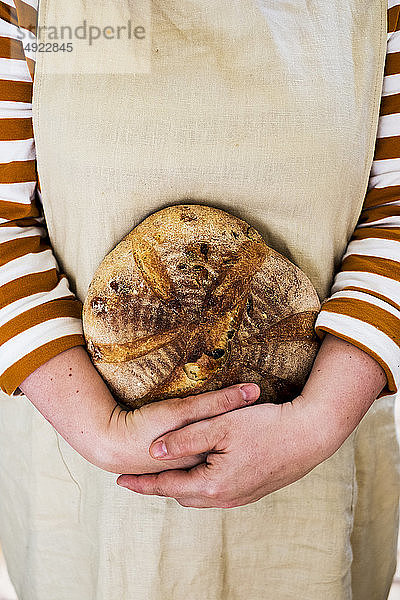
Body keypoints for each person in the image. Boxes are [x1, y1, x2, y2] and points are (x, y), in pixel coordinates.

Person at [0, 1, 399, 599]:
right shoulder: (35, 6)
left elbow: (394, 210)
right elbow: (5, 220)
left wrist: (317, 423)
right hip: (85, 454)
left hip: (316, 448)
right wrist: (101, 430)